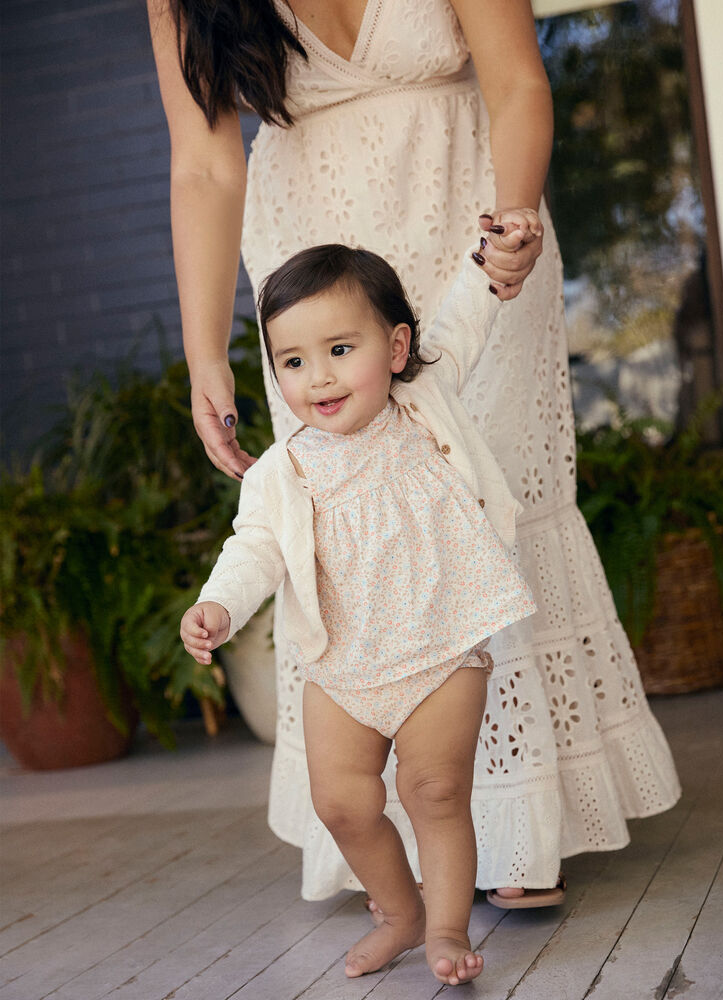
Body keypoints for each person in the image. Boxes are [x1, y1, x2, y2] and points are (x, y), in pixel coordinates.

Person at [150, 0, 681, 908]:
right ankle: (396, 843)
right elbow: (203, 163)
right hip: (312, 259)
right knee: (354, 522)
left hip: (471, 217)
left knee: (485, 492)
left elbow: (517, 79)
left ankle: (517, 837)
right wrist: (205, 356)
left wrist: (512, 221)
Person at [181, 243, 538, 985]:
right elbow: (253, 549)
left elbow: (465, 321)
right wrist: (219, 605)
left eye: (341, 349)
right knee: (341, 802)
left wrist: (486, 262)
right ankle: (398, 908)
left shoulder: (423, 402)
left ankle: (442, 928)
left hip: (441, 645)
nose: (320, 378)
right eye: (294, 361)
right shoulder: (285, 469)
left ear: (396, 345)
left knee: (435, 791)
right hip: (344, 666)